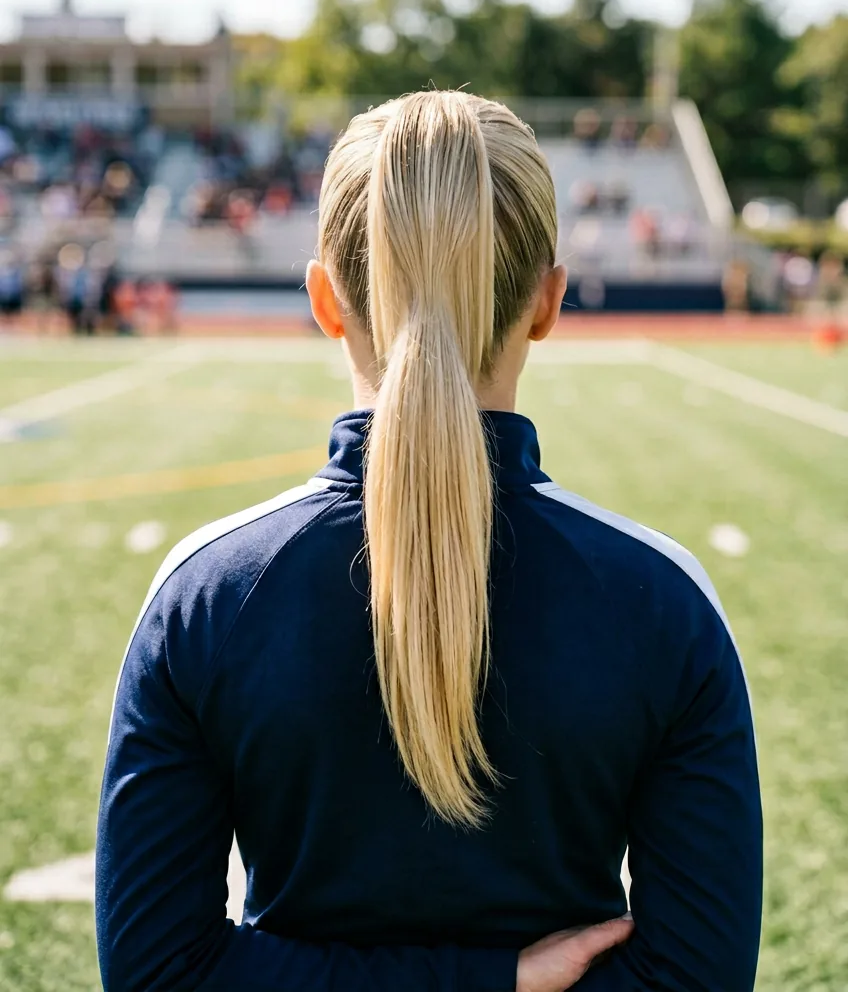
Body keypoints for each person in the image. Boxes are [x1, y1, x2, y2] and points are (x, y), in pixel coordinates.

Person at [96, 92, 762, 992]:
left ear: (326, 300)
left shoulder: (206, 596)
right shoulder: (662, 602)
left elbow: (158, 974)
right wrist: (495, 979)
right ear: (548, 302)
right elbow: (695, 978)